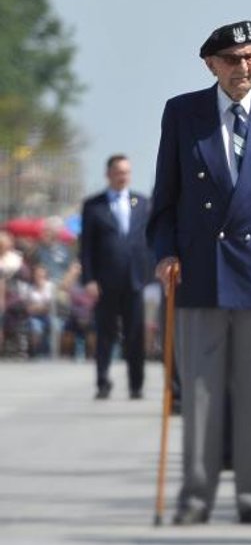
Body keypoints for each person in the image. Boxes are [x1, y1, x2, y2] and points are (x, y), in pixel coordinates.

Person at [147, 20, 251, 526]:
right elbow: (166, 196)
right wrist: (165, 252)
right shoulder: (183, 113)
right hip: (201, 267)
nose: (245, 68)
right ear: (211, 64)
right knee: (202, 388)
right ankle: (196, 493)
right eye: (234, 59)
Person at [80, 154, 151, 399]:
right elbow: (86, 247)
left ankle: (136, 384)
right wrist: (89, 279)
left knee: (135, 335)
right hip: (105, 282)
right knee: (105, 334)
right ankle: (102, 382)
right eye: (119, 172)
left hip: (135, 280)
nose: (123, 177)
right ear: (108, 174)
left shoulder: (142, 203)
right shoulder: (93, 205)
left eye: (127, 172)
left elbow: (149, 241)